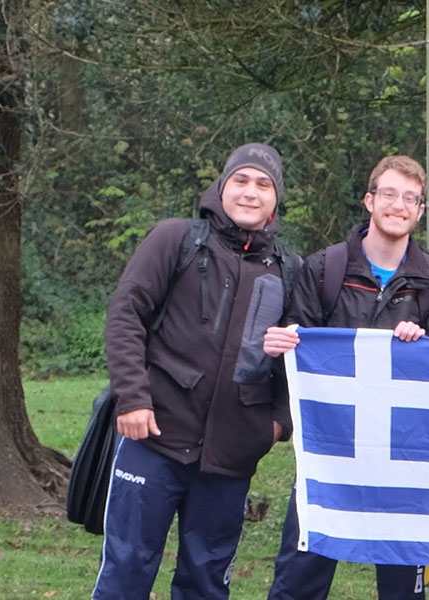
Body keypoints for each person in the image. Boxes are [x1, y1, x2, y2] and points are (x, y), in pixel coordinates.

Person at [95, 143, 301, 599]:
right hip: (153, 437)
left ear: (275, 199)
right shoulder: (176, 239)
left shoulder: (289, 269)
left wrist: (276, 425)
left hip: (230, 456)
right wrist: (132, 396)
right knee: (127, 570)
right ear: (222, 187)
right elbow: (126, 315)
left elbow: (299, 357)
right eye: (241, 181)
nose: (251, 192)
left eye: (263, 185)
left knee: (206, 582)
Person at [262, 155, 429, 600]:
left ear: (419, 210)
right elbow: (299, 351)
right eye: (389, 194)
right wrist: (284, 345)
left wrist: (422, 346)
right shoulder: (323, 269)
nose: (398, 205)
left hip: (405, 455)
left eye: (411, 198)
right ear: (370, 200)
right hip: (331, 450)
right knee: (300, 576)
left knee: (403, 586)